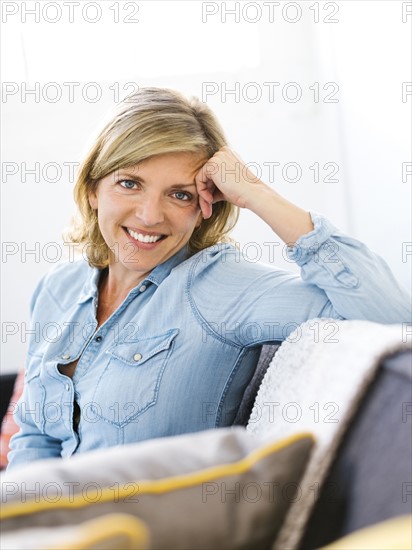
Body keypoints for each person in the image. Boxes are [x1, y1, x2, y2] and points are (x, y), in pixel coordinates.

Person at [7, 87, 410, 470]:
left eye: (179, 194)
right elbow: (36, 437)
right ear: (94, 189)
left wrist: (257, 193)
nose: (149, 215)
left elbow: (394, 320)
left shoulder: (221, 288)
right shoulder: (58, 287)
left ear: (206, 206)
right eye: (129, 183)